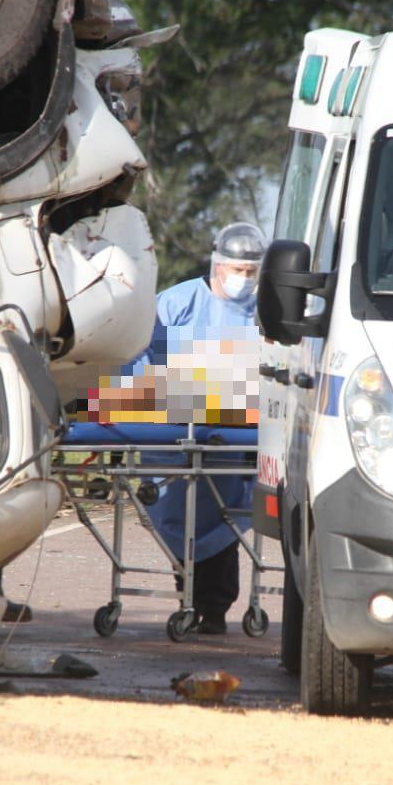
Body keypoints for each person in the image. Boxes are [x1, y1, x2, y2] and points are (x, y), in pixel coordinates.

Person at [126, 222, 267, 634]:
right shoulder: (176, 303)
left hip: (235, 429)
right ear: (217, 265)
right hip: (172, 427)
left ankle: (214, 608)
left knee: (221, 511)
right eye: (238, 270)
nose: (245, 279)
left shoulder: (265, 309)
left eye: (252, 271)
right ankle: (190, 598)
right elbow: (138, 359)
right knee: (177, 510)